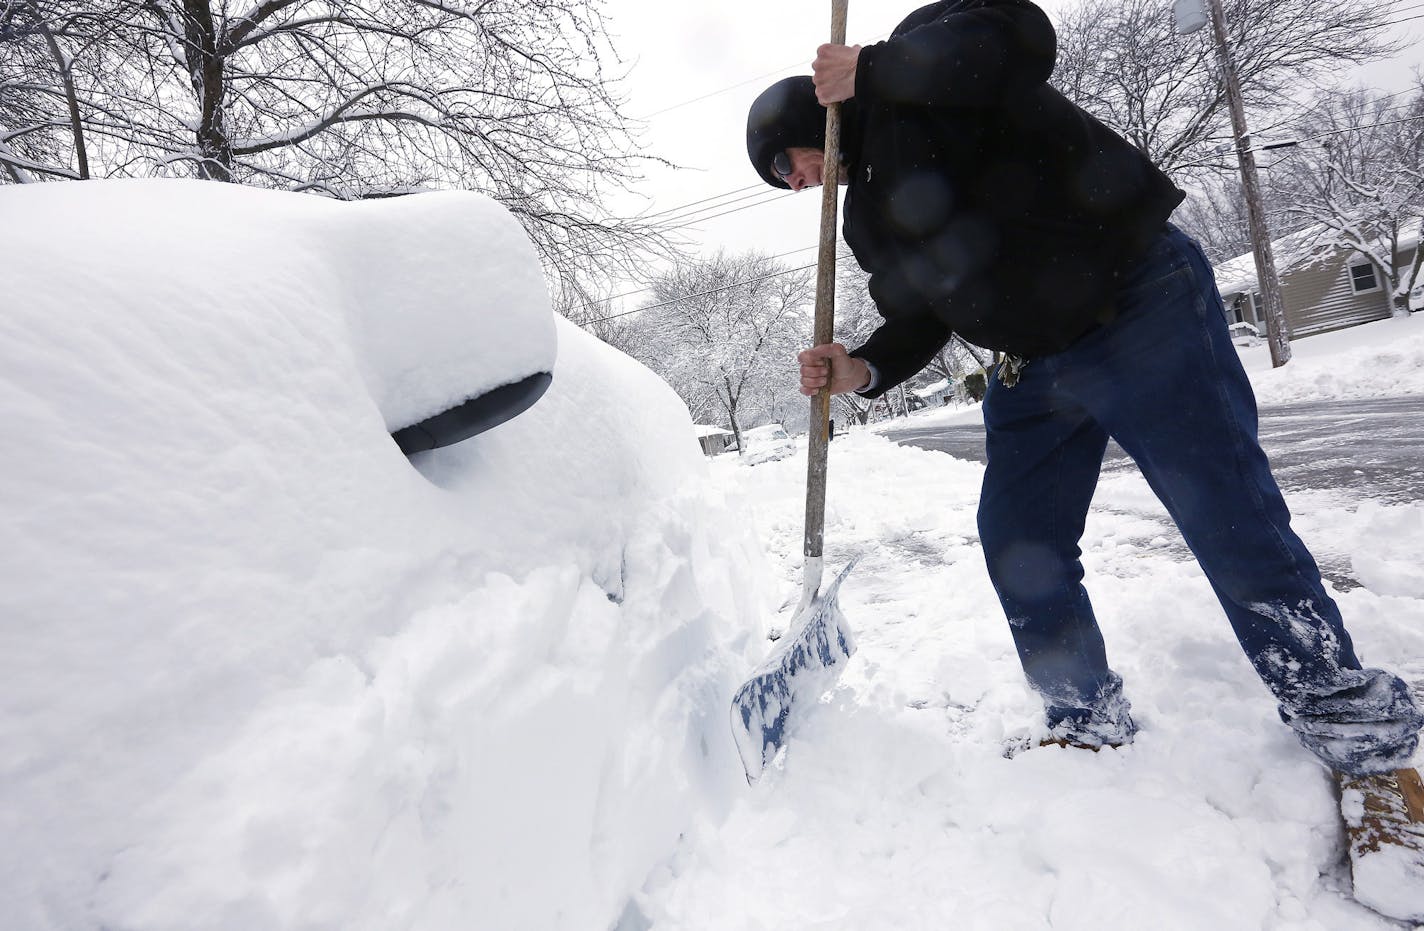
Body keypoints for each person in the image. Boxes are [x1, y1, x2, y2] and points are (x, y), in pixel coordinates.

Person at [745, 0, 1422, 781]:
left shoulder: (915, 64)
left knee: (1226, 515)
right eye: (781, 183)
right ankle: (1083, 714)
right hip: (1034, 363)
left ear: (811, 113)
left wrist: (873, 70)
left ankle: (1358, 738)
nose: (795, 184)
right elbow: (923, 312)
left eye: (785, 163)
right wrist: (860, 367)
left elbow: (1021, 38)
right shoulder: (866, 215)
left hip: (1138, 305)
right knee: (1017, 536)